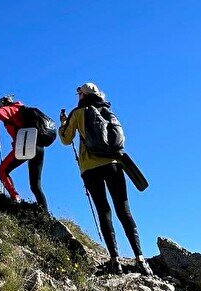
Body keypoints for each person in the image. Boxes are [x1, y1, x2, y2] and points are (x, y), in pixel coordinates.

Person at [59, 82, 153, 276]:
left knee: (104, 211)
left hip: (90, 168)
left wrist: (63, 124)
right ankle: (141, 259)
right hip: (114, 164)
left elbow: (66, 140)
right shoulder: (108, 111)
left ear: (82, 95)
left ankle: (115, 260)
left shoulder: (78, 113)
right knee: (124, 211)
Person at [0, 95, 48, 212]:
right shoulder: (22, 109)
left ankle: (15, 198)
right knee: (35, 186)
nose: (0, 107)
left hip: (25, 146)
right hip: (38, 146)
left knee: (2, 171)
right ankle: (45, 214)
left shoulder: (10, 109)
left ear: (4, 104)